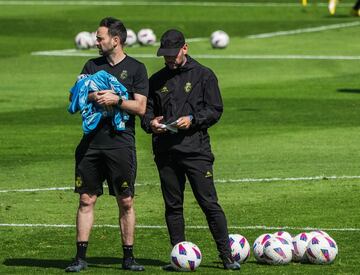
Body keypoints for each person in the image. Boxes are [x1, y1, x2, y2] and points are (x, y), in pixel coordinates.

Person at [141, 29, 240, 271]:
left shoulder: (204, 75)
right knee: (173, 206)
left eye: (172, 55)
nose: (168, 59)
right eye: (164, 55)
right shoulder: (156, 80)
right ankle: (178, 256)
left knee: (208, 203)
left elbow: (215, 109)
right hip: (165, 153)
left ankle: (227, 257)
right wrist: (151, 124)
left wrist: (193, 119)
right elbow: (146, 112)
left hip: (196, 152)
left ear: (184, 48)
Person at [65, 17, 148, 272]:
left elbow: (141, 107)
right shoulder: (91, 65)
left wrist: (117, 100)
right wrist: (92, 94)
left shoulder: (136, 68)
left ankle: (128, 258)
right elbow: (75, 97)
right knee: (86, 199)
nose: (96, 41)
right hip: (91, 145)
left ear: (116, 40)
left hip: (120, 145)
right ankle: (80, 258)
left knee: (125, 201)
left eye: (100, 37)